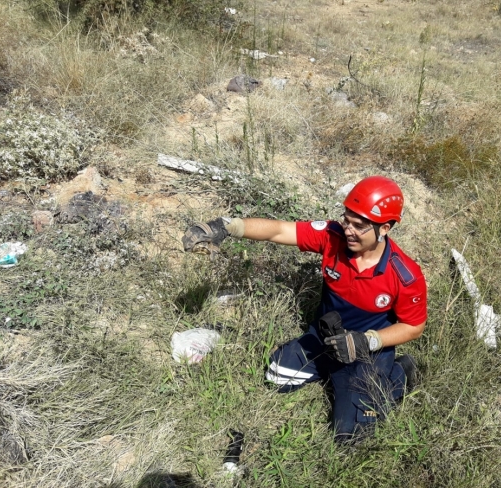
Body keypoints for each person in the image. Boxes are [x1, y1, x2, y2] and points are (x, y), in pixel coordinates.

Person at [182, 176, 428, 444]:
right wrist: (229, 226)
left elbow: (414, 327)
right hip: (325, 336)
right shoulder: (332, 237)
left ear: (386, 228)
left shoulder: (405, 275)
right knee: (277, 377)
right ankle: (335, 375)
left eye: (359, 226)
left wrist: (369, 340)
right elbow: (278, 230)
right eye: (346, 220)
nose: (348, 230)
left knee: (350, 437)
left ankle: (399, 373)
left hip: (368, 350)